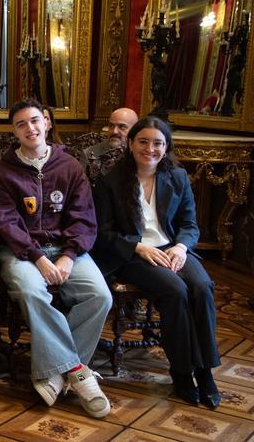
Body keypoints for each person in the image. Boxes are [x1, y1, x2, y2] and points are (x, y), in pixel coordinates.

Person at [0, 99, 112, 419]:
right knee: (31, 291)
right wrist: (37, 258)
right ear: (14, 131)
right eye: (20, 124)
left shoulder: (69, 166)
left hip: (68, 250)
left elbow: (84, 218)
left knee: (99, 296)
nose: (29, 128)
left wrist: (69, 256)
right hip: (22, 252)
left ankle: (56, 373)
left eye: (34, 121)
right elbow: (7, 223)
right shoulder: (3, 171)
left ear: (46, 122)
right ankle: (80, 374)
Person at [92, 116, 220, 409]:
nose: (150, 148)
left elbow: (190, 224)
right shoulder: (111, 181)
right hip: (133, 254)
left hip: (172, 248)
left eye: (158, 143)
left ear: (166, 147)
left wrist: (181, 248)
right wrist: (137, 248)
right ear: (131, 143)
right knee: (175, 291)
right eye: (143, 141)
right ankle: (182, 372)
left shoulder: (177, 177)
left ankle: (206, 372)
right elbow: (103, 232)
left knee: (201, 286)